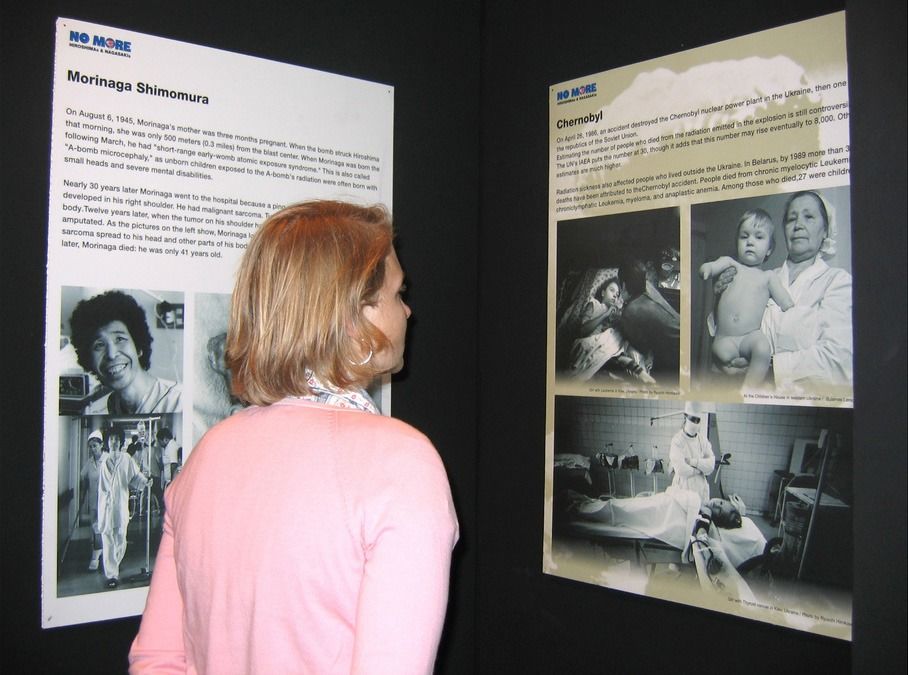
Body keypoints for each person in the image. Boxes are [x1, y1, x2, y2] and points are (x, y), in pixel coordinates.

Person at [130, 201, 459, 674]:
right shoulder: (402, 462)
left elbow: (157, 659)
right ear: (354, 314)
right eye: (396, 292)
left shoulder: (210, 451)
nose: (408, 309)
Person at [716, 190, 852, 392]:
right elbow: (729, 329)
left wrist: (769, 369)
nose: (798, 225)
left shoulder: (837, 281)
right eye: (791, 219)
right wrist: (720, 295)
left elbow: (839, 361)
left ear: (825, 230)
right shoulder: (765, 277)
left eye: (809, 217)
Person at [700, 209, 794, 389]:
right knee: (720, 370)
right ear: (737, 243)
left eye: (759, 237)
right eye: (744, 237)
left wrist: (789, 305)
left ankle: (748, 390)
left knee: (762, 347)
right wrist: (706, 270)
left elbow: (786, 301)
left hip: (749, 338)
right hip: (724, 338)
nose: (750, 242)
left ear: (769, 250)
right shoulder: (730, 264)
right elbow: (712, 266)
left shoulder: (768, 277)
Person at [69, 290, 183, 414]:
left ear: (138, 347)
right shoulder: (96, 410)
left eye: (120, 339)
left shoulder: (179, 403)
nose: (111, 354)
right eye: (99, 345)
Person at [567, 276, 654, 383]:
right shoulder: (594, 304)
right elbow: (582, 330)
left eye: (617, 294)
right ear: (603, 292)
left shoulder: (615, 314)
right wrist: (605, 314)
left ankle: (637, 372)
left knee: (624, 344)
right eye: (612, 290)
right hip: (590, 345)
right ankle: (638, 373)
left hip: (609, 350)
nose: (614, 295)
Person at [98, 426, 150, 588]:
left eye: (116, 439)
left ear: (121, 441)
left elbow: (135, 476)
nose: (114, 441)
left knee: (120, 536)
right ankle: (111, 574)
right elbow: (102, 485)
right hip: (106, 504)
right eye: (111, 439)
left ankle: (115, 561)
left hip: (121, 503)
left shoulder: (127, 458)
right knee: (107, 537)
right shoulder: (104, 460)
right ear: (107, 441)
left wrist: (145, 481)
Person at [619, 258, 680, 380]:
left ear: (624, 285)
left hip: (676, 355)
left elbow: (641, 346)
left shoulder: (630, 312)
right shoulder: (648, 286)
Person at [669, 402, 715, 503]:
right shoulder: (677, 440)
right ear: (685, 416)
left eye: (697, 420)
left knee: (701, 517)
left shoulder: (703, 440)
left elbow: (711, 465)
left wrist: (692, 462)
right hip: (683, 488)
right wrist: (700, 470)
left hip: (700, 489)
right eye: (692, 419)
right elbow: (681, 469)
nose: (695, 423)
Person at [80, 429, 106, 571]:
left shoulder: (108, 459)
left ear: (101, 445)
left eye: (95, 446)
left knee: (103, 529)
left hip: (107, 502)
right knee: (95, 529)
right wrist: (83, 493)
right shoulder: (89, 462)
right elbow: (83, 477)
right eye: (90, 446)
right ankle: (97, 554)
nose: (92, 449)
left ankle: (96, 558)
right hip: (93, 502)